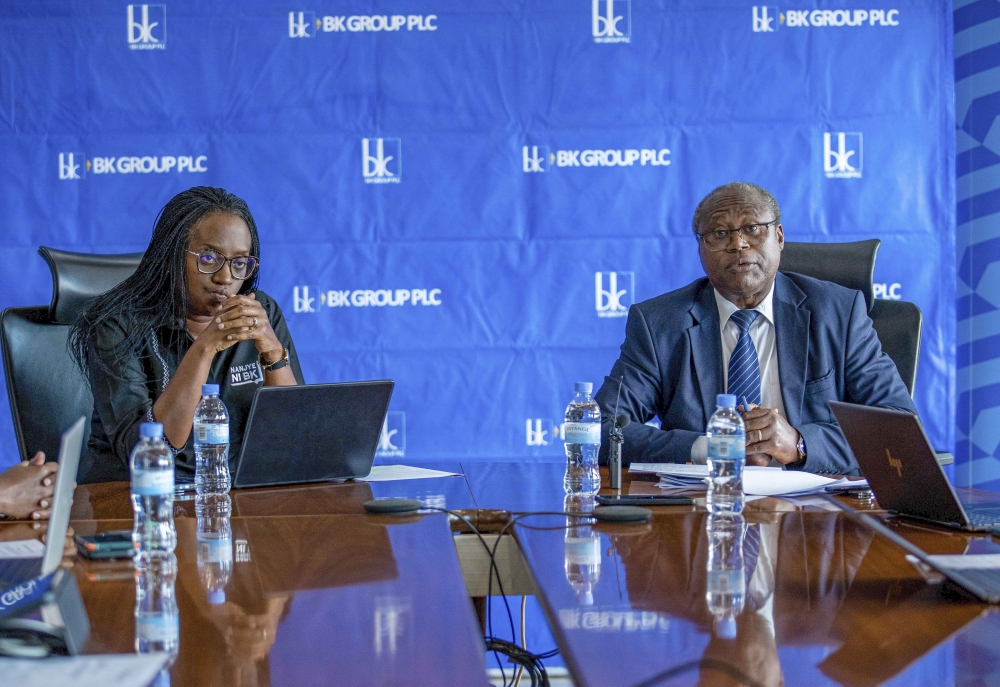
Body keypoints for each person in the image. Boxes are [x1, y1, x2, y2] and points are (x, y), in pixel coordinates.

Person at [594, 181, 915, 475]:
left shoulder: (837, 313)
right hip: (703, 512)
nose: (738, 244)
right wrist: (711, 448)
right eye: (720, 234)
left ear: (779, 236)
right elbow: (601, 428)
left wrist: (800, 444)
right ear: (700, 248)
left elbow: (901, 430)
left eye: (752, 228)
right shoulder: (660, 324)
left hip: (819, 516)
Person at [70, 187, 304, 483]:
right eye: (208, 258)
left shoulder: (261, 312)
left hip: (232, 498)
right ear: (172, 255)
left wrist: (272, 353)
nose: (226, 277)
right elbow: (148, 452)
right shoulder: (116, 326)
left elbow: (293, 437)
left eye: (240, 262)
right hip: (133, 503)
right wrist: (204, 348)